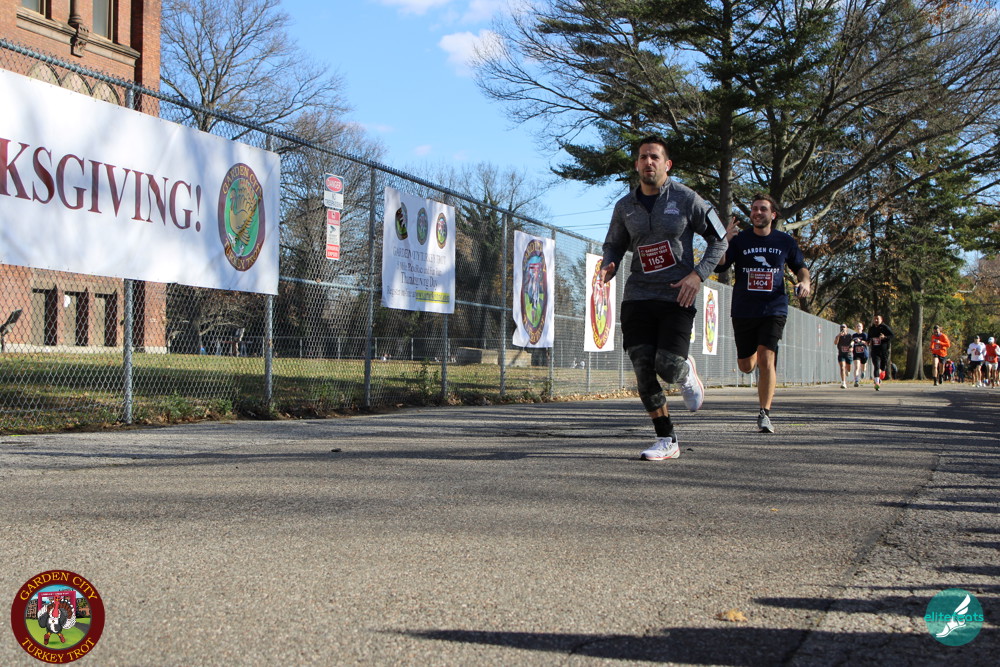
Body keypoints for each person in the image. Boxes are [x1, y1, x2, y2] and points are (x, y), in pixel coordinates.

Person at [600, 135, 728, 460]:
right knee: (643, 369)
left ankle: (685, 371)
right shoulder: (624, 206)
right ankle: (666, 439)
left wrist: (698, 275)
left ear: (667, 164)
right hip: (638, 296)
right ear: (636, 165)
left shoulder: (686, 198)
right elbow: (614, 244)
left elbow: (720, 239)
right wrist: (609, 263)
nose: (649, 162)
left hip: (676, 295)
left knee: (667, 366)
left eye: (655, 157)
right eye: (643, 157)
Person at [717, 193, 811, 433]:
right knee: (746, 365)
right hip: (744, 309)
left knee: (767, 356)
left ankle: (764, 413)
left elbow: (801, 267)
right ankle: (751, 363)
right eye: (754, 209)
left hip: (774, 307)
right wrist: (724, 240)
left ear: (773, 214)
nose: (757, 213)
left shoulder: (784, 241)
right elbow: (720, 265)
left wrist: (805, 282)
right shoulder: (740, 240)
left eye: (763, 209)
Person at [868, 315, 893, 391]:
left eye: (877, 319)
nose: (876, 320)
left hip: (883, 351)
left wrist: (885, 337)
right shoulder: (871, 329)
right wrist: (868, 341)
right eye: (874, 319)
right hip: (875, 351)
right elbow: (868, 338)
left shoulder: (885, 327)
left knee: (882, 368)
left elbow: (892, 335)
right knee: (876, 366)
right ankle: (876, 383)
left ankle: (880, 375)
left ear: (881, 320)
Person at [851, 321, 869, 387]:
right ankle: (856, 380)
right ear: (856, 328)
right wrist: (851, 346)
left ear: (862, 328)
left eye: (860, 326)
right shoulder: (854, 335)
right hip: (856, 353)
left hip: (863, 353)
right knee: (857, 367)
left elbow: (867, 343)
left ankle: (863, 372)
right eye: (857, 326)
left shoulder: (864, 335)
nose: (858, 327)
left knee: (863, 367)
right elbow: (852, 341)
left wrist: (861, 341)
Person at [835, 324, 853, 389]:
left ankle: (848, 371)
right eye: (841, 327)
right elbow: (835, 343)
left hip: (848, 354)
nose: (842, 328)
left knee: (848, 368)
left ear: (846, 328)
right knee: (842, 367)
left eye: (844, 327)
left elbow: (853, 342)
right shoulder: (838, 336)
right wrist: (838, 336)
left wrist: (851, 347)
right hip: (841, 354)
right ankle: (843, 383)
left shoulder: (849, 336)